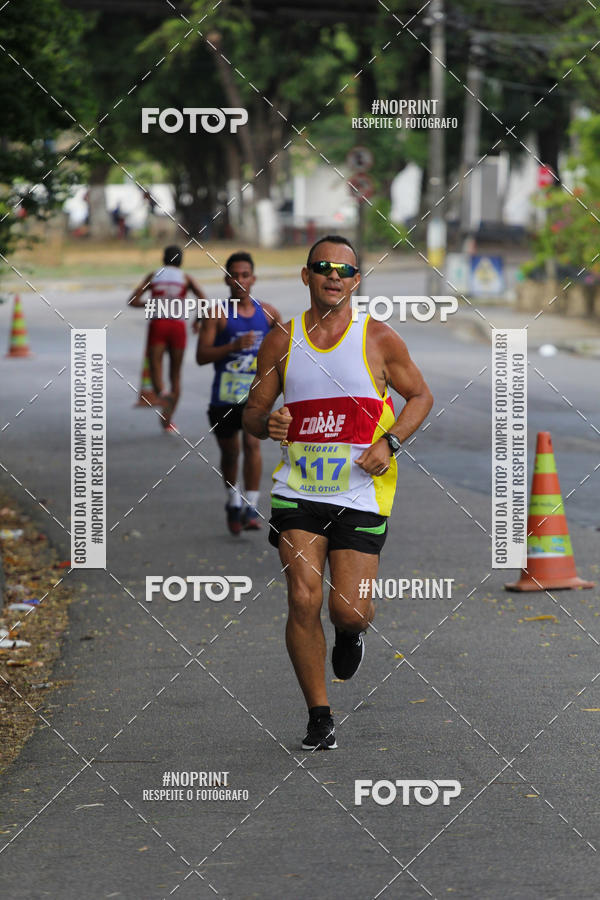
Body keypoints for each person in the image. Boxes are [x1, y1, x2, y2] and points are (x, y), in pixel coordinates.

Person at [243, 235, 433, 750]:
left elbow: (420, 396)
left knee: (347, 609)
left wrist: (390, 442)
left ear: (355, 281)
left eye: (344, 271)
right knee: (302, 597)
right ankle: (319, 714)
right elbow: (252, 413)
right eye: (323, 267)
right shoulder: (282, 339)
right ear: (306, 276)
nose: (334, 276)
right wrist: (270, 422)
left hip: (362, 493)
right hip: (299, 491)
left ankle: (351, 633)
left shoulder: (379, 339)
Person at [196, 252, 282, 534]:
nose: (240, 280)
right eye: (234, 275)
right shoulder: (216, 314)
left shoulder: (268, 313)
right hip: (224, 398)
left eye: (245, 275)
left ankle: (251, 506)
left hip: (255, 396)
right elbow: (201, 355)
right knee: (231, 453)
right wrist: (232, 347)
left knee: (252, 446)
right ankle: (233, 501)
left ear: (253, 279)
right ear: (226, 279)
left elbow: (284, 353)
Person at [128, 245, 205, 431]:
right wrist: (197, 321)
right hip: (177, 327)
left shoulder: (153, 276)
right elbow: (202, 299)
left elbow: (133, 301)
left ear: (163, 259)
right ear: (181, 261)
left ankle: (162, 394)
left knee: (155, 367)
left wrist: (154, 304)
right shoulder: (186, 278)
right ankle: (167, 418)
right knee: (175, 375)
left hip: (158, 325)